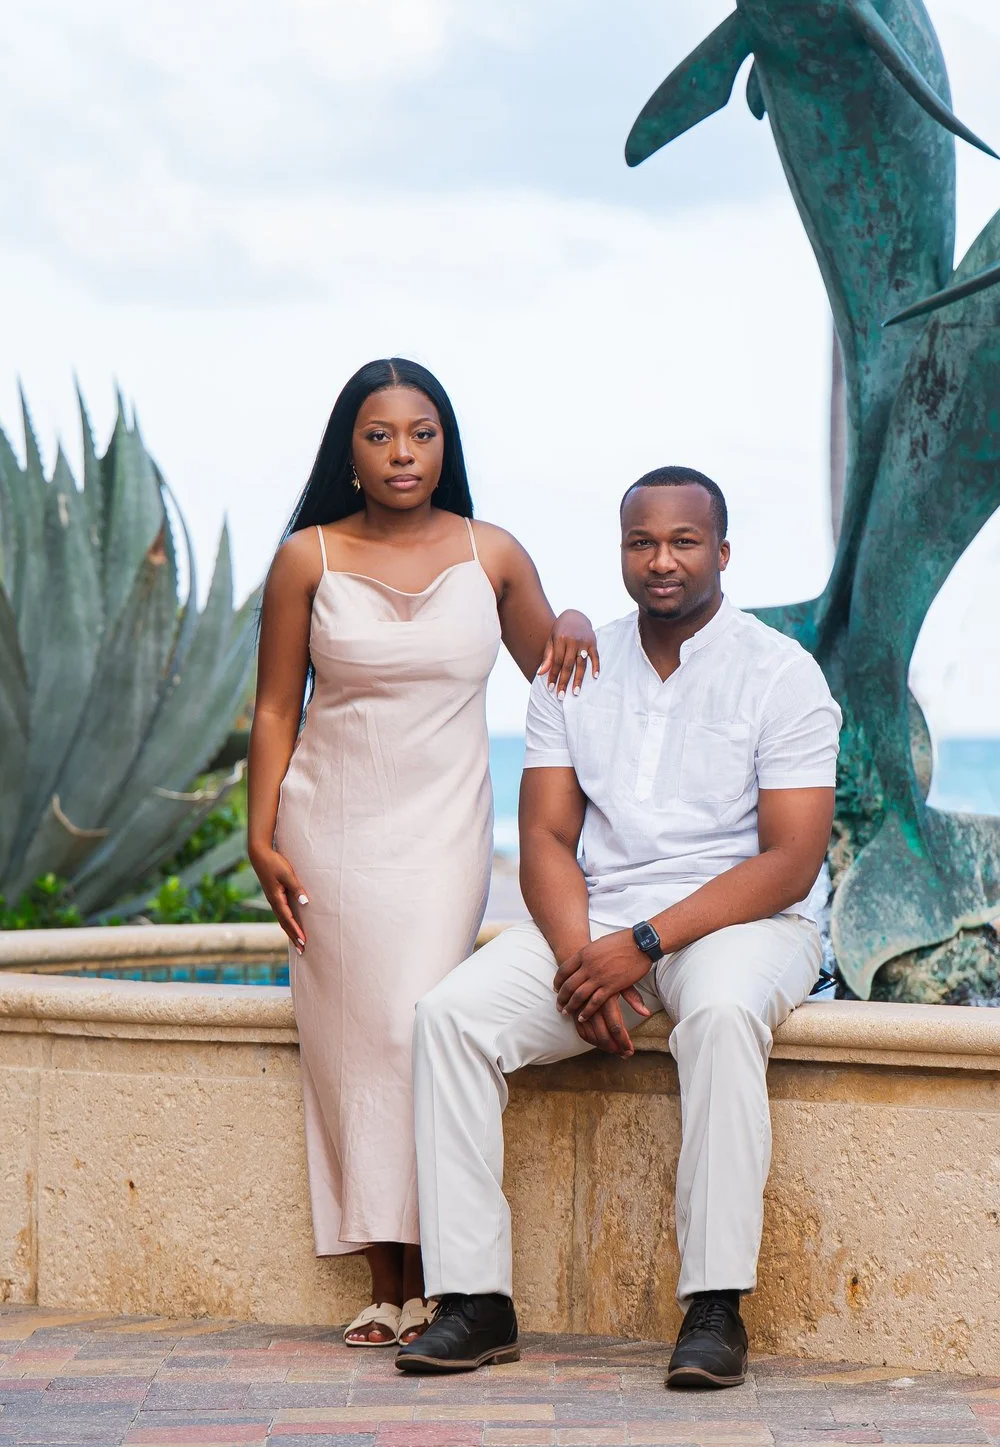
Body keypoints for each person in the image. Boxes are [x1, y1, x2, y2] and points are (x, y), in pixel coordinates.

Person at [396, 465, 839, 1390]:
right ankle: (477, 1303)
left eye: (684, 541)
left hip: (743, 920)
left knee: (718, 1017)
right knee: (449, 1018)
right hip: (594, 923)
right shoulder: (575, 668)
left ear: (723, 552)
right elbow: (547, 836)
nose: (662, 560)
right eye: (642, 542)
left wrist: (641, 946)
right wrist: (577, 963)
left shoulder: (781, 672)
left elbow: (789, 860)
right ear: (623, 552)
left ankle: (715, 1306)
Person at [248, 357, 601, 1351]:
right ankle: (385, 1281)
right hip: (332, 831)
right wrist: (259, 831)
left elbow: (555, 675)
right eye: (379, 435)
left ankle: (439, 1275)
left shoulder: (493, 554)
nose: (403, 451)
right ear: (349, 454)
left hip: (442, 836)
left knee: (418, 1034)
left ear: (444, 445)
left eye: (422, 432)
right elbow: (278, 706)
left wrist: (570, 615)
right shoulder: (306, 558)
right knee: (355, 1046)